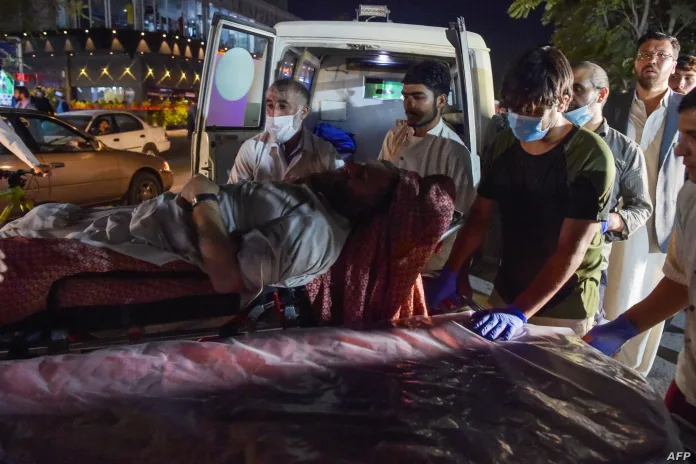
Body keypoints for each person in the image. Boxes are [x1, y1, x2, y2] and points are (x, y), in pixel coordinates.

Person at [0, 161, 405, 316]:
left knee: (33, 230)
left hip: (151, 236)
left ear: (374, 208)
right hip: (152, 217)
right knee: (41, 216)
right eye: (361, 164)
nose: (351, 167)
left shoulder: (314, 234)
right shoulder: (316, 201)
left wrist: (205, 198)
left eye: (365, 176)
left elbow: (227, 280)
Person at [427, 46, 615, 339]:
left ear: (563, 101)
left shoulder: (590, 156)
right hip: (507, 288)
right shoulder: (504, 145)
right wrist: (453, 270)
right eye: (513, 108)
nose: (520, 118)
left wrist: (520, 312)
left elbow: (572, 249)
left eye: (533, 110)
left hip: (564, 304)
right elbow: (479, 216)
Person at [584, 88, 696, 426]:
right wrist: (622, 327)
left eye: (693, 136)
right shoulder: (690, 194)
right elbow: (680, 281)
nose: (678, 150)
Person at [602, 31, 685, 376]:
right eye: (644, 54)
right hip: (613, 222)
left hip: (662, 229)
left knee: (647, 309)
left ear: (674, 65)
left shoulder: (687, 111)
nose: (651, 60)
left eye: (661, 55)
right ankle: (593, 373)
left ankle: (630, 382)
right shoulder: (613, 105)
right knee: (604, 300)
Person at [566, 61, 653, 323]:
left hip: (588, 265)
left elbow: (641, 207)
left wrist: (609, 221)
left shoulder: (625, 150)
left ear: (601, 95)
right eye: (565, 89)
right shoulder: (548, 138)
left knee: (575, 341)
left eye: (578, 89)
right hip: (538, 254)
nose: (568, 97)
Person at [378, 60, 476, 270]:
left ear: (441, 101)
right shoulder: (394, 136)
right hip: (387, 245)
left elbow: (461, 219)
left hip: (428, 262)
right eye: (405, 97)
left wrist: (449, 271)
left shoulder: (454, 151)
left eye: (418, 97)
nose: (408, 105)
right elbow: (378, 184)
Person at [229, 78, 343, 183]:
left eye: (282, 106)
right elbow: (233, 197)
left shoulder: (326, 153)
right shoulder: (251, 149)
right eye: (270, 105)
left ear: (303, 112)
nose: (274, 114)